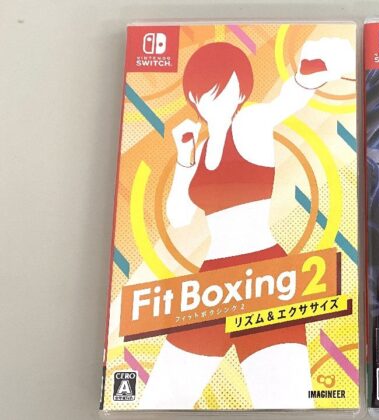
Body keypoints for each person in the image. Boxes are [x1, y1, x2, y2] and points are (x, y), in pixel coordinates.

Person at [138, 39, 354, 409]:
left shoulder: (249, 123)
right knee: (159, 400)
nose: (218, 101)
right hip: (214, 283)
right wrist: (185, 159)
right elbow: (179, 215)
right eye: (209, 93)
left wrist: (307, 76)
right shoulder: (199, 149)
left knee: (288, 403)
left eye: (228, 90)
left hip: (265, 275)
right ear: (194, 98)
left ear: (241, 93)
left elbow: (282, 104)